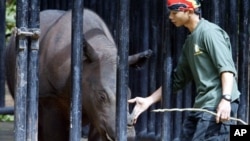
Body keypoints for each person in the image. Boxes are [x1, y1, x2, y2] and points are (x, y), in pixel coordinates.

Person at [128, 0, 241, 140]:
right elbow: (177, 80)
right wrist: (148, 100)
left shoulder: (210, 33)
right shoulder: (190, 42)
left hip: (217, 105)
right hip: (201, 106)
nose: (170, 17)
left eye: (174, 13)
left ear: (189, 11)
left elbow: (227, 69)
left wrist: (226, 99)